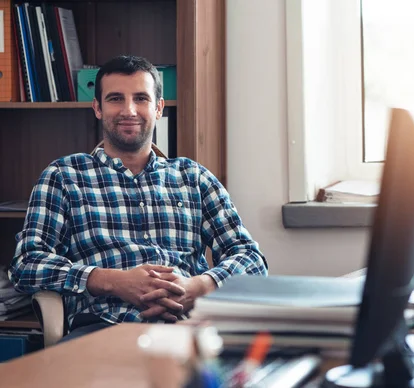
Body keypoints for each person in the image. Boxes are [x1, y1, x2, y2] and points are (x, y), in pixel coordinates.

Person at [8, 55, 268, 342]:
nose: (129, 110)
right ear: (97, 108)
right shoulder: (64, 176)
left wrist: (196, 287)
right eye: (116, 99)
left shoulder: (194, 177)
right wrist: (112, 282)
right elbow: (26, 264)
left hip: (193, 329)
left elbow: (251, 258)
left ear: (158, 108)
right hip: (103, 329)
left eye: (141, 99)